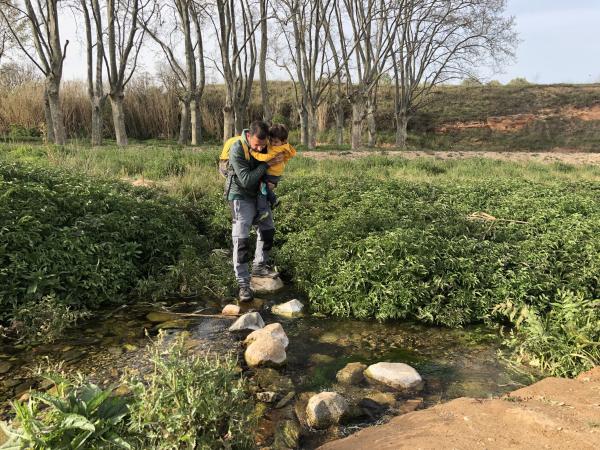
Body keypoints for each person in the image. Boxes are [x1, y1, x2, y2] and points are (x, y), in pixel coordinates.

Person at [227, 120, 286, 302]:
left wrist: (273, 181)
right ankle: (243, 284)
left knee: (268, 230)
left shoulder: (267, 143)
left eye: (263, 145)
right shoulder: (237, 149)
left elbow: (277, 166)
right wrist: (266, 165)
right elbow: (245, 180)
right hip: (240, 195)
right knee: (242, 239)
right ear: (248, 136)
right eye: (256, 145)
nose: (260, 149)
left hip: (259, 194)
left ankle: (259, 266)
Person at [249, 124, 297, 222]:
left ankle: (263, 211)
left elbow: (266, 158)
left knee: (262, 191)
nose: (272, 143)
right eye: (271, 140)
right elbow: (291, 153)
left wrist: (254, 153)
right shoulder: (284, 146)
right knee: (265, 187)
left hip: (272, 174)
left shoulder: (277, 149)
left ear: (283, 141)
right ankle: (274, 201)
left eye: (275, 142)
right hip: (275, 173)